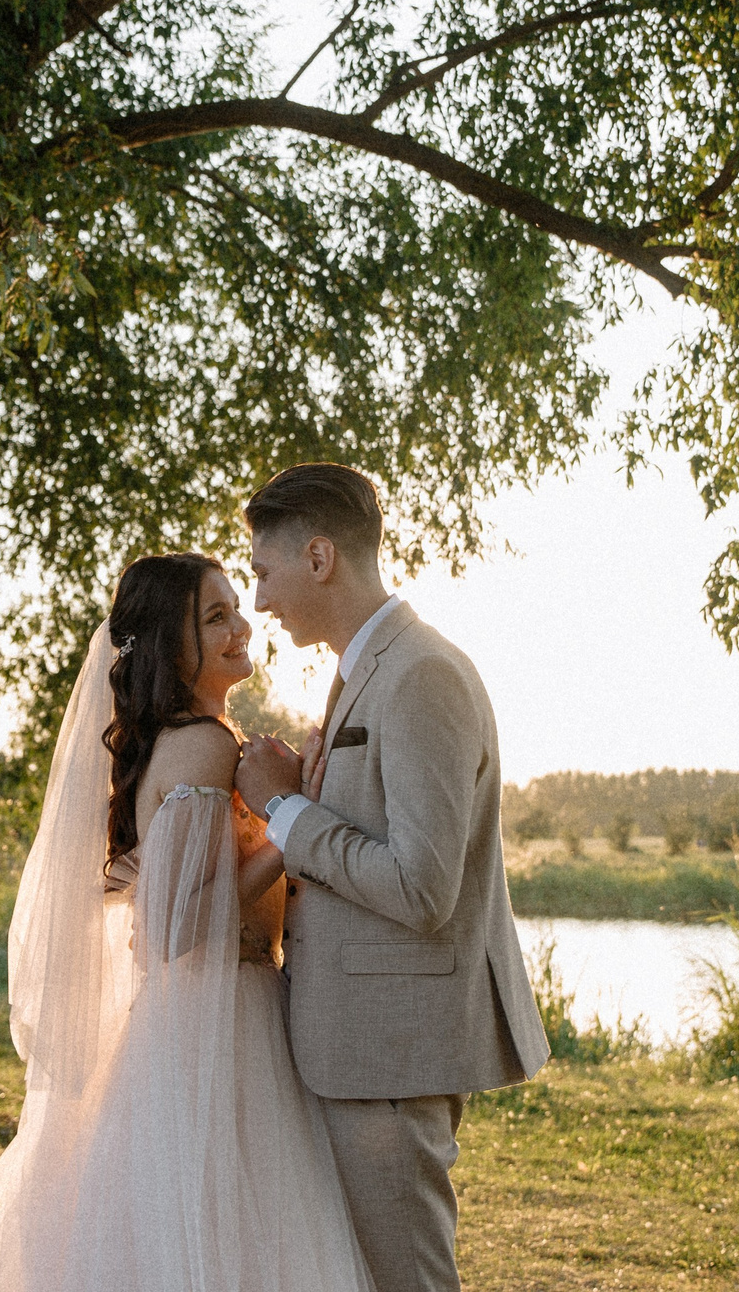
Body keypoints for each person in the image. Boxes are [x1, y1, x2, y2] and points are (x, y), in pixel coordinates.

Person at [0, 552, 374, 1292]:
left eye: (234, 608)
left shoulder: (198, 737)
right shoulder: (206, 744)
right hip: (219, 1023)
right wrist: (290, 826)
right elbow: (178, 925)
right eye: (214, 616)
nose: (240, 625)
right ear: (169, 646)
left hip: (199, 1018)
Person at [234, 462, 550, 1292]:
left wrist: (283, 813)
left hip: (390, 1052)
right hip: (356, 1047)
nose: (259, 600)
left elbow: (421, 885)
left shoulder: (422, 676)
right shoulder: (363, 670)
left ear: (319, 556)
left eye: (263, 573)